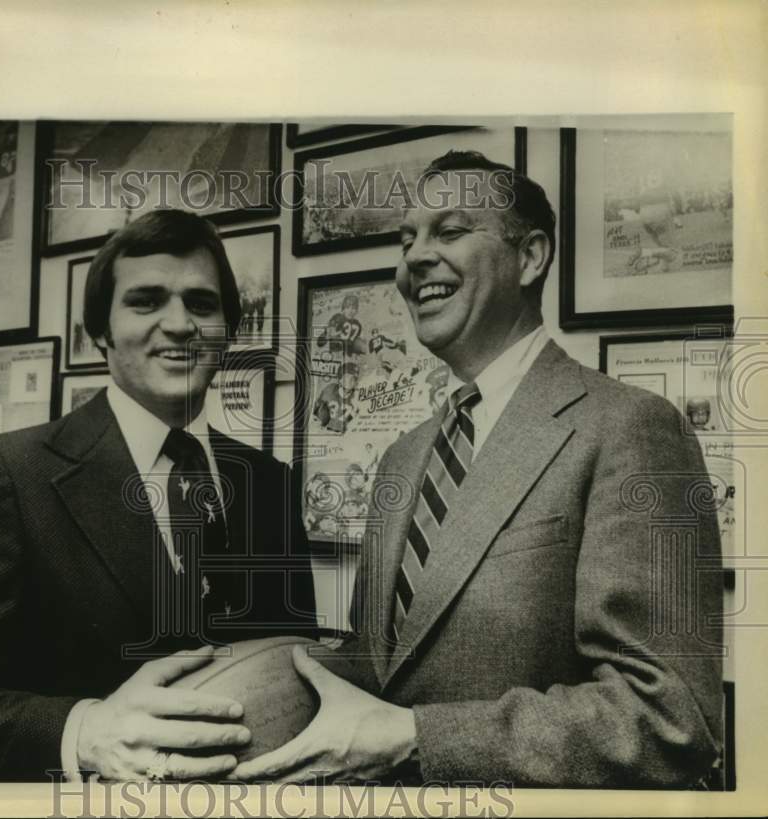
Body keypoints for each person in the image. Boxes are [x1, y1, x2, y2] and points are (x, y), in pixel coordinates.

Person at [231, 151, 723, 787]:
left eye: (451, 231)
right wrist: (235, 681)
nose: (414, 258)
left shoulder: (632, 428)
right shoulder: (404, 457)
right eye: (407, 239)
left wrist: (417, 739)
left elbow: (671, 719)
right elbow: (382, 665)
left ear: (531, 257)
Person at [0, 209, 318, 783]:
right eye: (146, 300)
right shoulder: (9, 475)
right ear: (100, 333)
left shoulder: (270, 481)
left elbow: (294, 669)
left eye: (202, 304)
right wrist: (84, 733)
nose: (180, 323)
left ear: (230, 332)